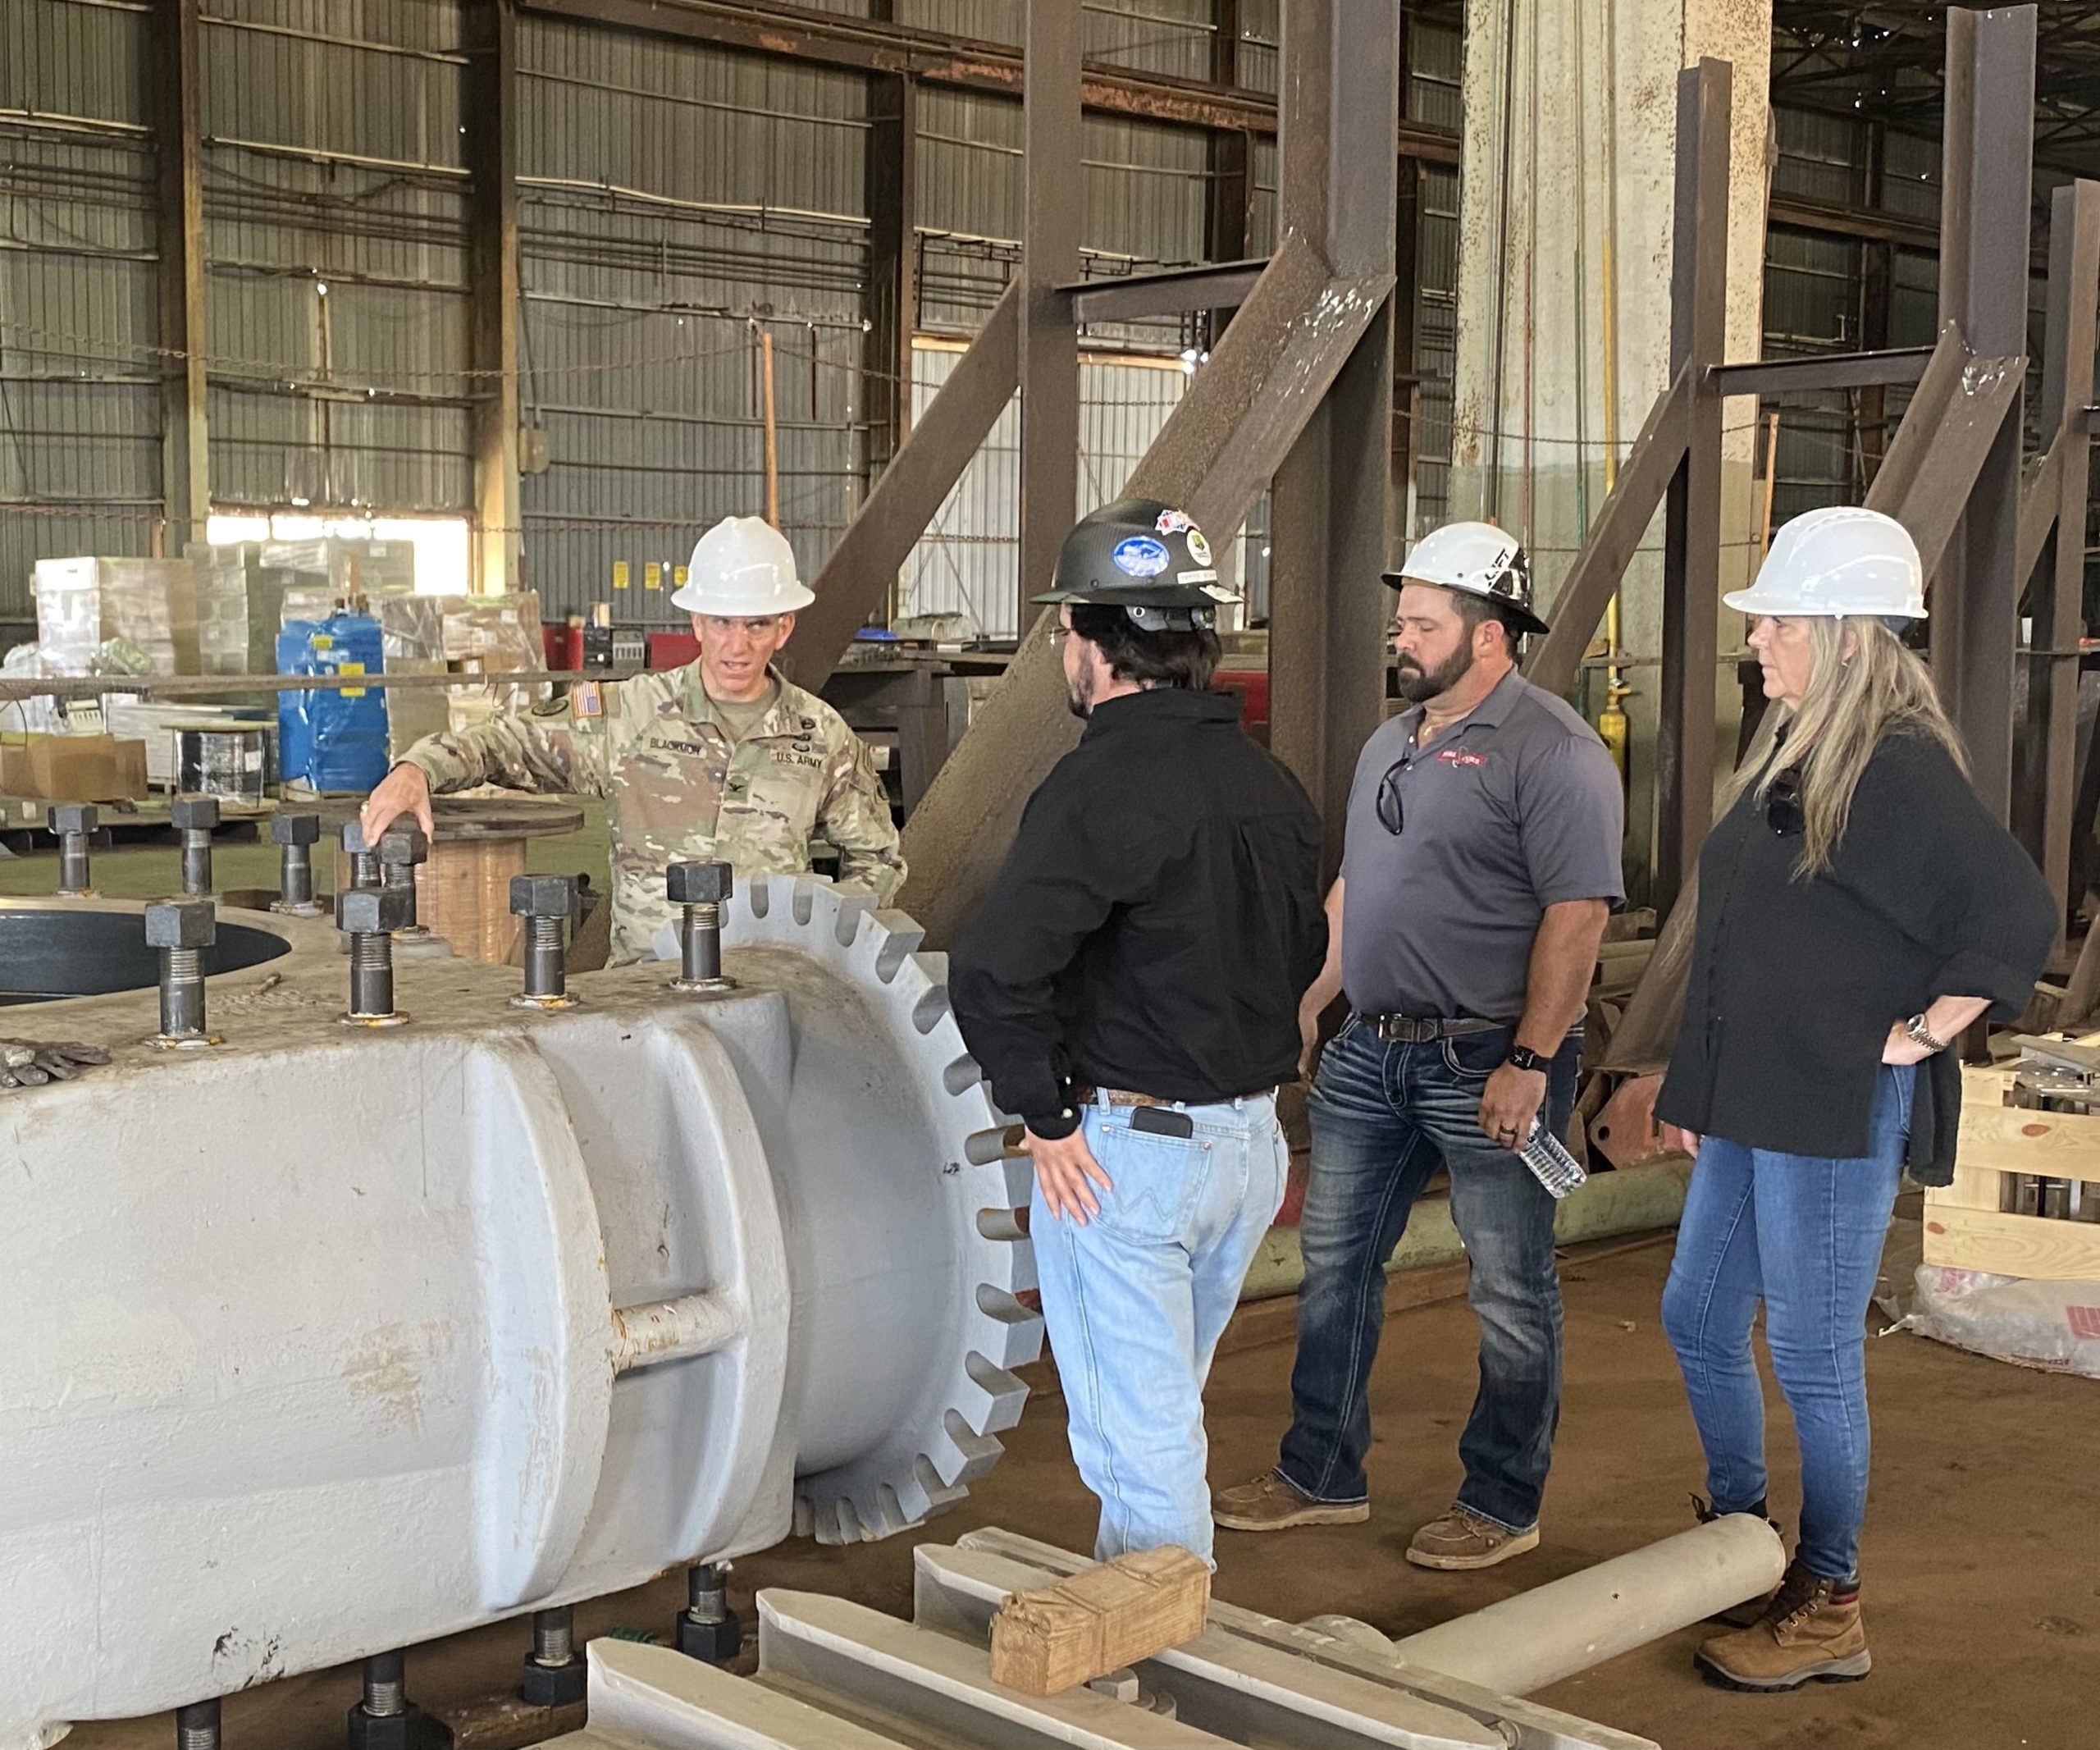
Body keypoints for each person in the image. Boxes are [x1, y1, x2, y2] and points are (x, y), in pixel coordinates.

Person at [1653, 506, 2055, 1693]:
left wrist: (1923, 1032)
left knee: (1816, 1355)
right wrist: (1699, 1086)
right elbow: (1751, 930)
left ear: (1840, 632)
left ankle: (1829, 1595)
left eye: (1776, 619)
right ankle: (1741, 1540)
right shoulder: (1799, 749)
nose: (1759, 640)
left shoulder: (1895, 766)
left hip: (1831, 1108)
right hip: (1755, 1101)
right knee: (1694, 1317)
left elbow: (2013, 912)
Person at [1213, 519, 1624, 1570]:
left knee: (1507, 1285)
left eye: (1422, 622)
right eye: (1403, 619)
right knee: (1335, 1264)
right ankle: (1319, 1473)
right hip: (1369, 1054)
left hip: (1487, 1058)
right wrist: (1313, 1002)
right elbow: (1360, 888)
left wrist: (1531, 1064)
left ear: (1489, 636)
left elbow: (1578, 914)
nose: (1401, 637)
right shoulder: (1389, 743)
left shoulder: (1555, 751)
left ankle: (1500, 1498)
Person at [947, 497, 1326, 1567]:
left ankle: (1163, 1670)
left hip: (1128, 1162)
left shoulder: (1097, 787)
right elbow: (1298, 959)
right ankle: (1155, 1640)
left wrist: (1048, 1118)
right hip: (1248, 1155)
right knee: (1157, 1414)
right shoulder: (1271, 785)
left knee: (1139, 1444)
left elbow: (993, 967)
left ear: (1089, 642)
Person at [361, 515, 903, 964]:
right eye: (721, 622)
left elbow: (877, 857)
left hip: (772, 997)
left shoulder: (820, 738)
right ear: (695, 621)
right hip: (645, 998)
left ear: (784, 627)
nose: (737, 645)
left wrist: (831, 956)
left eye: (757, 625)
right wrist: (419, 768)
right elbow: (510, 742)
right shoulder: (630, 716)